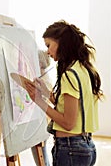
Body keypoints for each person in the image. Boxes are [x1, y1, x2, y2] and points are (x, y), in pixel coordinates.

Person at [25, 20, 104, 166]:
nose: (47, 52)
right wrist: (46, 93)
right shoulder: (83, 68)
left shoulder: (69, 74)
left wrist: (38, 100)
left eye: (49, 45)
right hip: (86, 147)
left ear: (61, 42)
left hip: (70, 150)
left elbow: (68, 123)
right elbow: (72, 107)